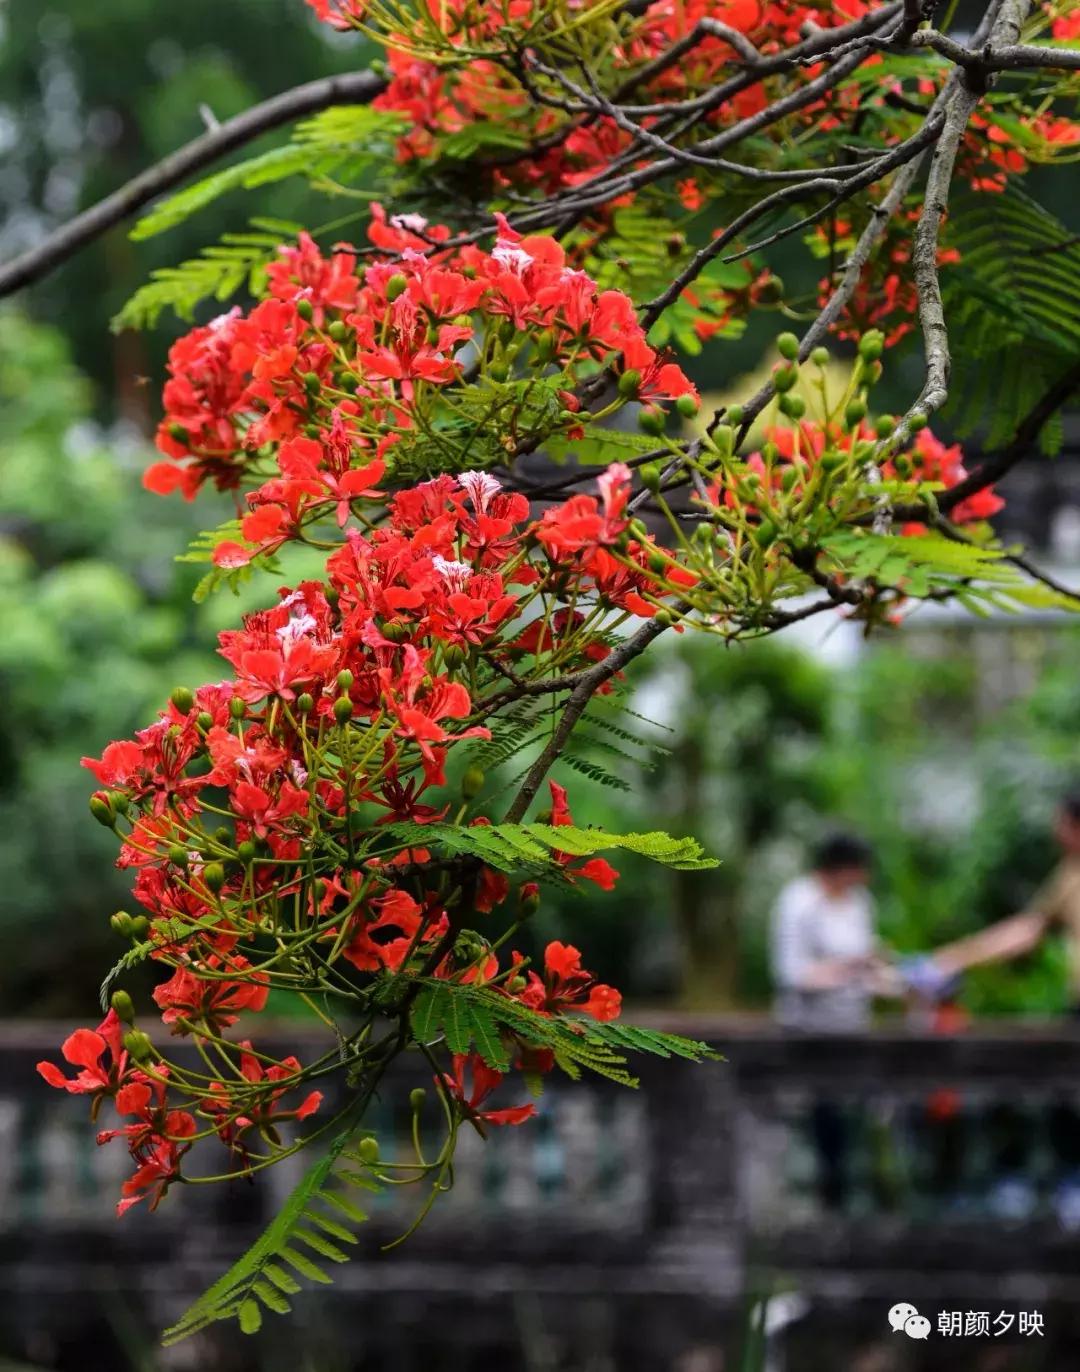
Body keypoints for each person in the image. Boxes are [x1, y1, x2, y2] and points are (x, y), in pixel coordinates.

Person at [908, 788, 1080, 1224]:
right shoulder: (1070, 875)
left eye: (1061, 823)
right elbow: (1028, 930)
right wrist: (955, 957)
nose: (1056, 832)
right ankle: (1062, 1192)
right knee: (1057, 1096)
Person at [770, 832, 898, 1211]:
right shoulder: (799, 903)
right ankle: (828, 1203)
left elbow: (864, 965)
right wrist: (851, 967)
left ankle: (869, 1195)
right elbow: (792, 974)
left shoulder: (860, 902)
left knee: (865, 1117)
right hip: (810, 1030)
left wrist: (887, 976)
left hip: (853, 1025)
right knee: (825, 1123)